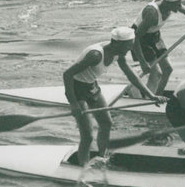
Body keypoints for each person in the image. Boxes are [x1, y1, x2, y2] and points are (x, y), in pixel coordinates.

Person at [63, 27, 165, 167]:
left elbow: (130, 74)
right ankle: (83, 167)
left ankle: (101, 158)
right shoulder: (95, 55)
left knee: (106, 123)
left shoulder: (118, 52)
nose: (130, 49)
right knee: (87, 136)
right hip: (77, 89)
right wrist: (73, 103)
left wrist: (151, 95)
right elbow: (67, 75)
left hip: (92, 86)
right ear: (118, 43)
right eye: (129, 45)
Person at [131, 0, 185, 96]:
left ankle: (158, 95)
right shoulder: (152, 14)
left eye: (180, 3)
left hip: (155, 36)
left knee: (168, 69)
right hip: (140, 39)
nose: (180, 7)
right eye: (178, 4)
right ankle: (148, 97)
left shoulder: (172, 4)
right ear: (168, 3)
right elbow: (135, 37)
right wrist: (142, 62)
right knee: (156, 73)